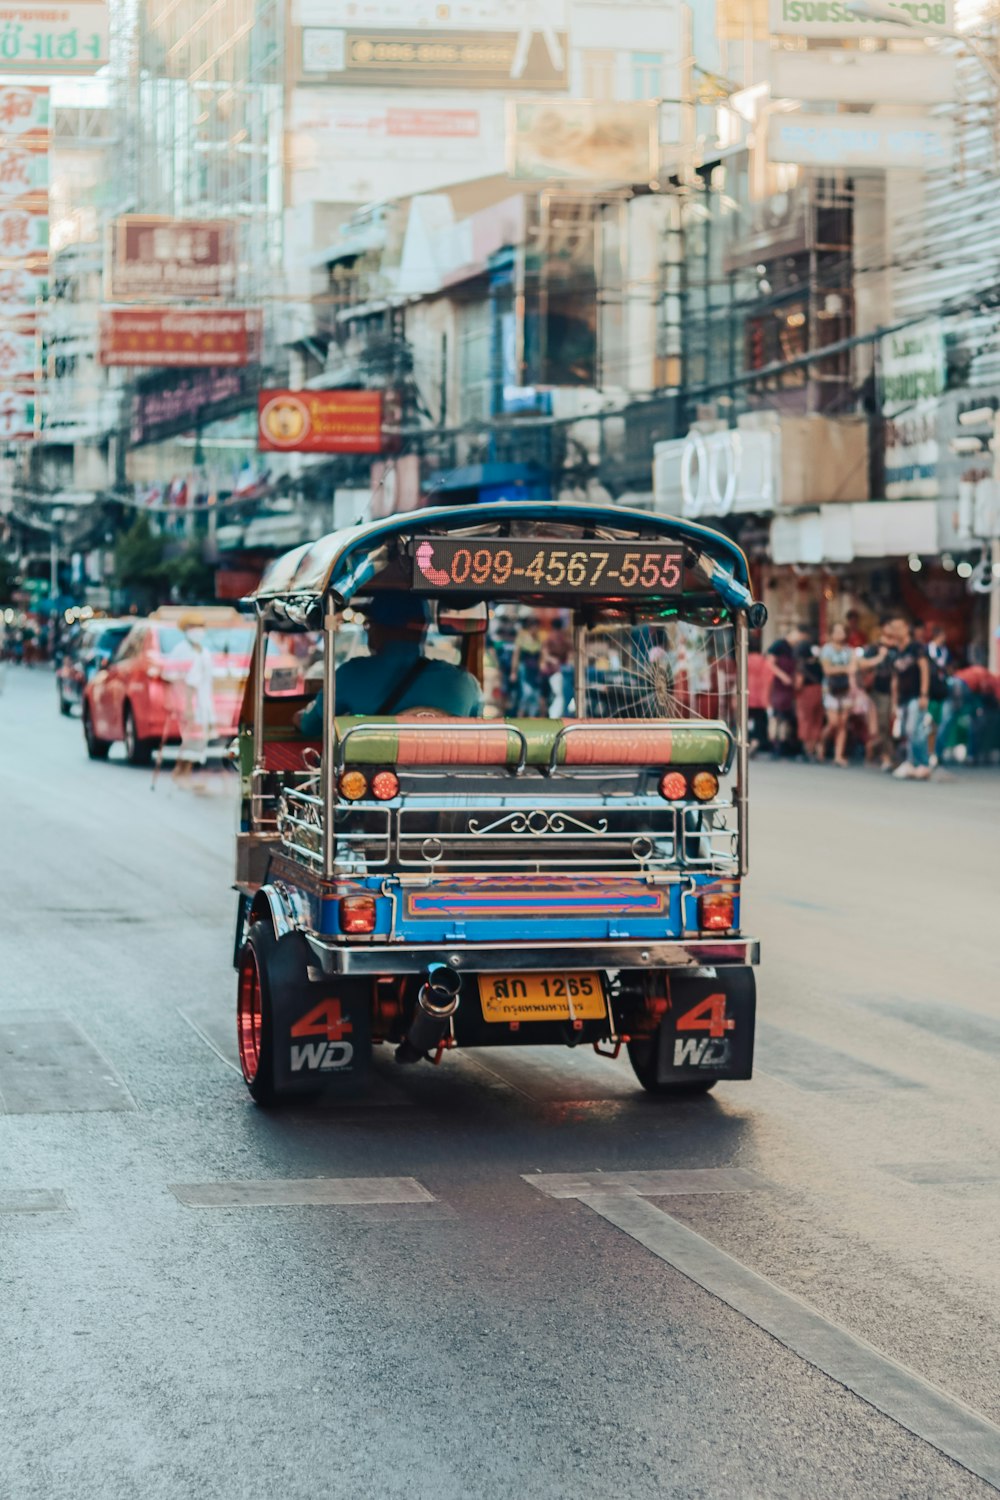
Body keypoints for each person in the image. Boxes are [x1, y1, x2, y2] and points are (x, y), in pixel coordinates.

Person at [295, 595, 480, 737]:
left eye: (369, 624)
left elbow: (311, 727)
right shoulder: (465, 682)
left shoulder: (352, 674)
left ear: (377, 628)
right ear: (422, 630)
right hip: (452, 781)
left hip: (377, 782)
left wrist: (298, 718)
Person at [165, 610, 215, 789]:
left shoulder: (205, 652)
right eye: (194, 627)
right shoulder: (180, 650)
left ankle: (184, 773)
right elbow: (172, 676)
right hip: (188, 701)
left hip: (204, 702)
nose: (198, 631)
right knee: (191, 740)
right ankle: (180, 773)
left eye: (200, 627)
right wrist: (186, 705)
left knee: (199, 742)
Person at [890, 615, 932, 780]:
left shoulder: (915, 647)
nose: (896, 631)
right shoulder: (896, 652)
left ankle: (922, 764)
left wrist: (924, 694)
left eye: (899, 627)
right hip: (903, 697)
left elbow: (924, 669)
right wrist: (894, 701)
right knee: (908, 731)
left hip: (916, 695)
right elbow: (895, 679)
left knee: (916, 730)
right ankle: (912, 763)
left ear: (907, 628)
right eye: (893, 628)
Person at [860, 617, 898, 770]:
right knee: (881, 725)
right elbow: (862, 664)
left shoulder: (897, 649)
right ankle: (885, 756)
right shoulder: (874, 648)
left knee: (890, 725)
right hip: (877, 691)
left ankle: (875, 750)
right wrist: (880, 657)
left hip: (893, 692)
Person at [819, 621, 855, 767]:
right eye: (837, 631)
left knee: (843, 723)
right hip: (830, 688)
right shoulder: (826, 649)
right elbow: (827, 670)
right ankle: (821, 743)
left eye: (842, 631)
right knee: (833, 722)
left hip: (845, 689)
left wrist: (840, 669)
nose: (840, 634)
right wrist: (845, 668)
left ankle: (838, 755)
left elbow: (852, 670)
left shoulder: (849, 650)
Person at [766, 627, 800, 756]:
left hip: (787, 688)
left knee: (785, 716)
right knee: (776, 715)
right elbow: (770, 663)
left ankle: (782, 743)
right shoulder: (779, 645)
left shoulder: (793, 648)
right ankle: (775, 744)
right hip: (777, 686)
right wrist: (782, 676)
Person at [794, 629, 825, 762]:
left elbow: (798, 684)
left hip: (806, 693)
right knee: (816, 721)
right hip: (819, 691)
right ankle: (817, 750)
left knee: (805, 720)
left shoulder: (802, 665)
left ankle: (808, 750)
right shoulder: (818, 664)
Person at [747, 642, 772, 755]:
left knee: (746, 721)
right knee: (760, 722)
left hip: (746, 696)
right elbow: (769, 679)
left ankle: (748, 741)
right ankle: (756, 742)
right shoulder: (764, 662)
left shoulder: (745, 660)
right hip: (761, 698)